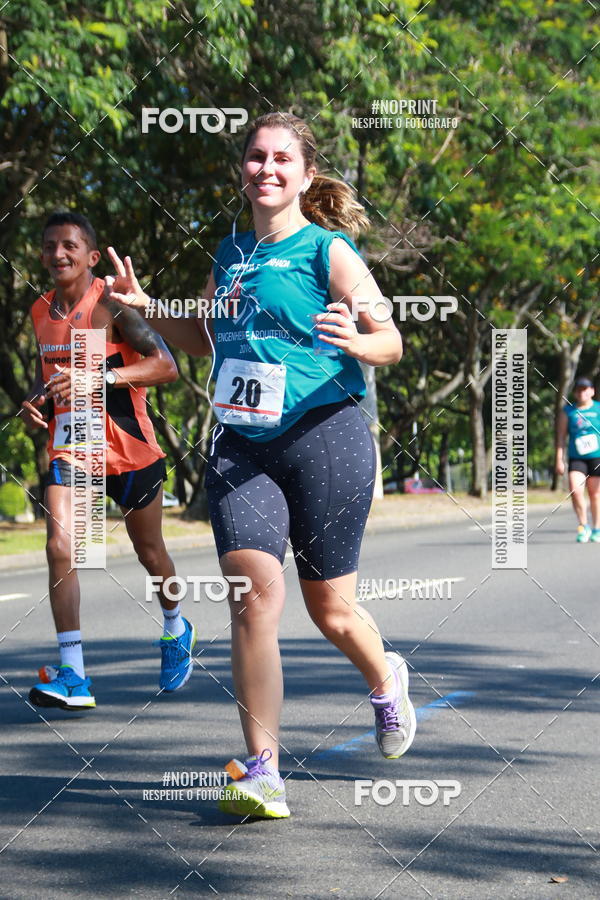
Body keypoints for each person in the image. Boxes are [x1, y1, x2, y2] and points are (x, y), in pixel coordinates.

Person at [104, 111, 416, 819]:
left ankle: (384, 679)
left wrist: (359, 346)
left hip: (324, 435)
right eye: (254, 158)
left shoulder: (327, 252)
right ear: (242, 171)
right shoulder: (230, 251)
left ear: (305, 177)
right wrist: (145, 310)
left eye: (281, 159)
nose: (266, 169)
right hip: (243, 443)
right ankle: (263, 769)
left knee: (330, 609)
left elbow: (390, 339)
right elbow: (210, 336)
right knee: (252, 599)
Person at [22, 211, 196, 711]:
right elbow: (53, 374)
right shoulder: (40, 311)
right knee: (61, 546)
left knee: (151, 553)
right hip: (72, 446)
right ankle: (74, 673)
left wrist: (96, 380)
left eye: (69, 246)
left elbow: (166, 366)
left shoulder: (113, 307)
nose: (58, 254)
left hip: (131, 449)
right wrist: (39, 399)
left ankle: (175, 624)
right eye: (50, 245)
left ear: (91, 257)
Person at [555, 376, 600, 543]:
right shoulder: (568, 411)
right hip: (576, 458)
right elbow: (560, 437)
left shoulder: (598, 409)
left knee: (595, 494)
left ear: (592, 391)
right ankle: (583, 526)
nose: (582, 392)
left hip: (597, 457)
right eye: (579, 389)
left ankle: (597, 528)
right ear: (575, 393)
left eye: (585, 389)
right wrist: (559, 459)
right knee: (575, 489)